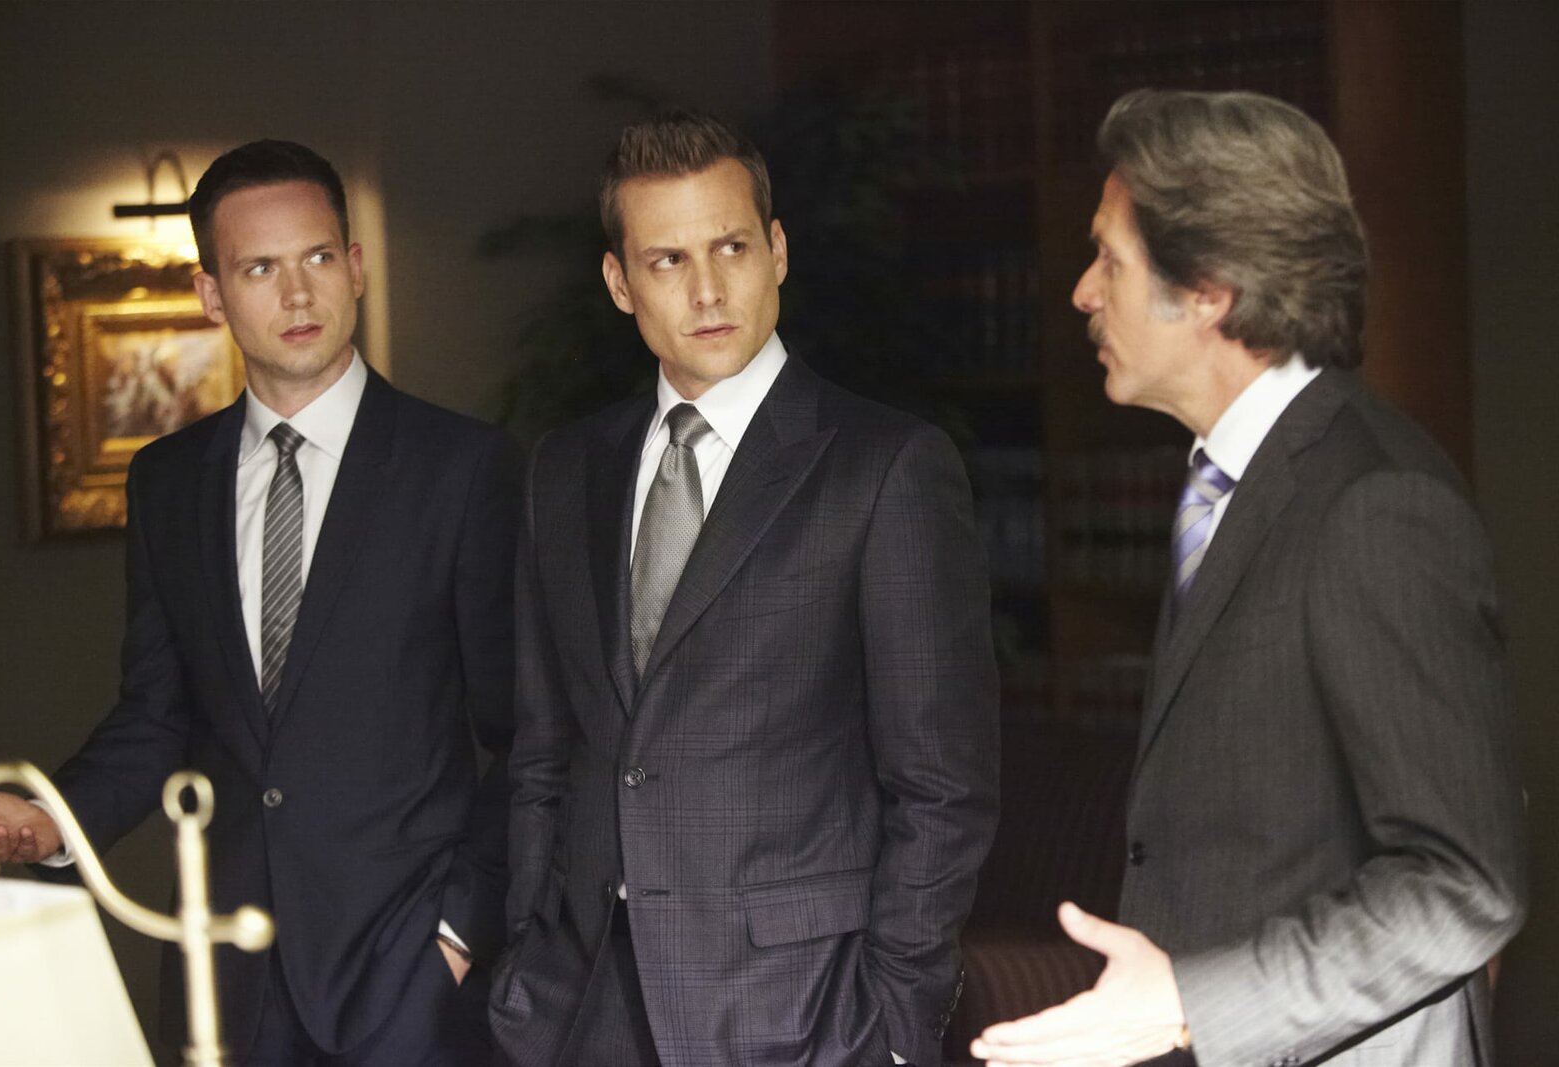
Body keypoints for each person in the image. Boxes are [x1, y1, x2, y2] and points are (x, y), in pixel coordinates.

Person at [971, 89, 1527, 1067]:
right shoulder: (1231, 479)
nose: (1083, 292)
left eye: (1109, 259)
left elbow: (1465, 882)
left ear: (1210, 290)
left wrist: (1188, 1004)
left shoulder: (1375, 503)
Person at [0, 140, 521, 1066]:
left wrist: (459, 934)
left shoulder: (462, 468)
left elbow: (527, 732)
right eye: (260, 268)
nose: (297, 294)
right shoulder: (168, 481)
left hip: (410, 982)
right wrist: (51, 818)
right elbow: (157, 715)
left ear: (355, 267)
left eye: (317, 258)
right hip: (226, 984)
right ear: (212, 295)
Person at [486, 109, 1000, 1067]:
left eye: (731, 247)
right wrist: (527, 958)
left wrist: (896, 1021)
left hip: (804, 1011)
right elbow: (542, 749)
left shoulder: (885, 466)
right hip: (582, 1001)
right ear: (620, 282)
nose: (709, 289)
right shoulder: (565, 469)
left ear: (777, 251)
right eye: (668, 260)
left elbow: (942, 783)